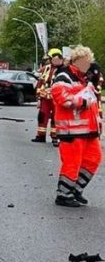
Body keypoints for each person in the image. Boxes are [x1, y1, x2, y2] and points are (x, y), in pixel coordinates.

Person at [51, 45, 101, 207]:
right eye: (83, 61)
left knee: (94, 158)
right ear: (75, 61)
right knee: (72, 162)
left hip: (89, 130)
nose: (86, 64)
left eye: (88, 61)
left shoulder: (85, 78)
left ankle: (75, 189)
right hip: (71, 130)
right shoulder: (64, 76)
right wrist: (83, 101)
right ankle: (64, 194)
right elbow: (61, 97)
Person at [33, 48, 65, 145]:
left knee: (56, 117)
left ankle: (55, 137)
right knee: (42, 116)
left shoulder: (64, 70)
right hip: (45, 98)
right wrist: (38, 98)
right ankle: (41, 135)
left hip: (57, 98)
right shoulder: (45, 68)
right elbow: (40, 83)